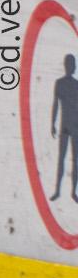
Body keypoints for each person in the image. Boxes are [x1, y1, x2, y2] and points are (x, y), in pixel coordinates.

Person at [52, 54, 78, 202]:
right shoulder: (59, 83)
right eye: (69, 64)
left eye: (73, 64)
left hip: (76, 127)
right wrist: (52, 123)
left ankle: (73, 192)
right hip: (65, 126)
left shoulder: (77, 84)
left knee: (75, 160)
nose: (71, 66)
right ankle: (57, 190)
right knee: (61, 159)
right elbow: (56, 103)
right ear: (66, 65)